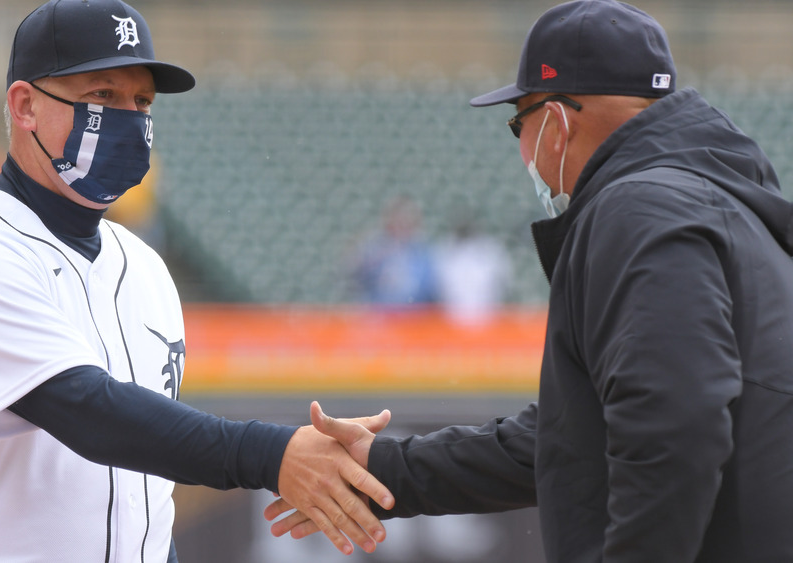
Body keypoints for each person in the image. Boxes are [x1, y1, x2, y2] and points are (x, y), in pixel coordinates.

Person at [267, 1, 793, 561]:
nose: (521, 147)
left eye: (519, 122)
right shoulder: (717, 201)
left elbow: (677, 431)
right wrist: (389, 465)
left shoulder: (641, 208)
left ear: (559, 119)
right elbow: (575, 438)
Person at [0, 2, 394, 562]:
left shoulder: (145, 269)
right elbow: (88, 413)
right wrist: (273, 455)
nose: (130, 116)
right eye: (103, 95)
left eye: (142, 101)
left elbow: (140, 492)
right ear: (25, 105)